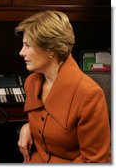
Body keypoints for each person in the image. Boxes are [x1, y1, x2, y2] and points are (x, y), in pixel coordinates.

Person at [15, 10, 110, 163]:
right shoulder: (31, 82)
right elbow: (46, 124)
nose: (21, 52)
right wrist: (28, 127)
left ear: (50, 50)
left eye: (28, 45)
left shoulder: (89, 94)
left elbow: (95, 161)